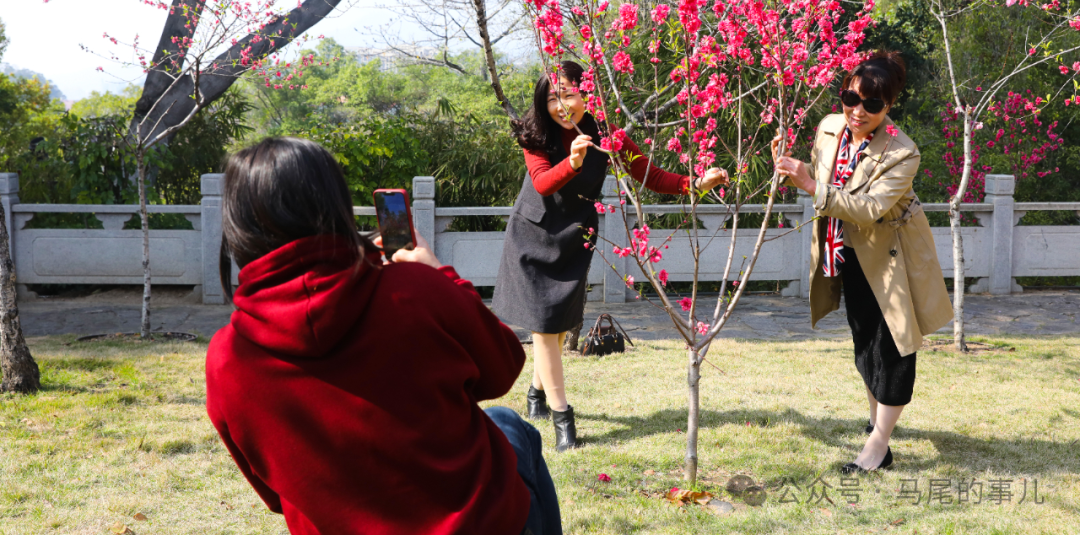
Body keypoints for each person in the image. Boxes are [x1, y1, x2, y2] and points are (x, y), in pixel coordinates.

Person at [205, 137, 562, 535]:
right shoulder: (413, 288)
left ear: (236, 225)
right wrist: (435, 271)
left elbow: (274, 495)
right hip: (482, 523)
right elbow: (503, 367)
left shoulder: (227, 358)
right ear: (333, 203)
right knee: (512, 425)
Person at [494, 61, 728, 451]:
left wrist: (696, 183)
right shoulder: (535, 134)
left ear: (588, 95)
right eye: (553, 97)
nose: (561, 105)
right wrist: (571, 161)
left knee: (550, 326)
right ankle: (562, 423)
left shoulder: (605, 135)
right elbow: (541, 181)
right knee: (544, 328)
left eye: (569, 94)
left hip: (572, 238)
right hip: (532, 238)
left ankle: (536, 394)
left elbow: (651, 176)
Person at [772, 52, 953, 473]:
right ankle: (877, 425)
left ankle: (879, 446)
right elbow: (823, 177)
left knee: (894, 346)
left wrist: (808, 182)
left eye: (872, 105)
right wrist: (787, 165)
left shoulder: (902, 152)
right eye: (850, 98)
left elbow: (870, 207)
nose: (858, 111)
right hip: (846, 250)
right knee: (864, 340)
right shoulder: (830, 128)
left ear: (889, 107)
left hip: (892, 256)